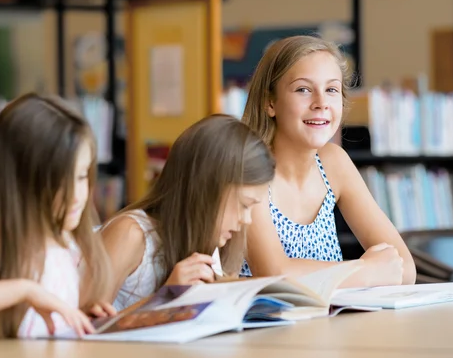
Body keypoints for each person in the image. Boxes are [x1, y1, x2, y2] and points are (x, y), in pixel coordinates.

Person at [0, 93, 115, 346]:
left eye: (82, 176)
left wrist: (81, 315)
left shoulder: (64, 240)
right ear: (21, 182)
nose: (77, 196)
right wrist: (24, 290)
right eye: (60, 183)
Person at [240, 35, 416, 286]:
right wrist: (366, 270)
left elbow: (404, 267)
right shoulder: (246, 170)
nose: (321, 103)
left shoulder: (334, 163)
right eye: (303, 89)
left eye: (331, 89)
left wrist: (359, 272)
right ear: (270, 102)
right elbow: (274, 275)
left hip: (328, 323)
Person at [100, 114, 275, 311]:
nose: (247, 220)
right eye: (244, 205)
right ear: (207, 190)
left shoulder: (217, 246)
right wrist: (165, 298)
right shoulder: (130, 234)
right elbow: (80, 329)